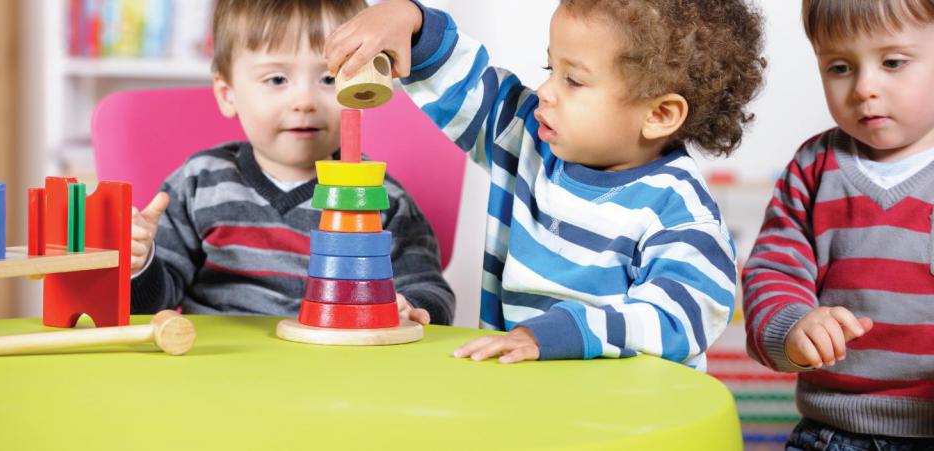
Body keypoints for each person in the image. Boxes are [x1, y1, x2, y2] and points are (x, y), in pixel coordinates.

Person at [325, 0, 765, 366]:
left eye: (573, 80)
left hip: (627, 415)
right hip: (528, 398)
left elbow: (682, 316)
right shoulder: (529, 138)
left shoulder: (680, 211)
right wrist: (412, 22)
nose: (546, 90)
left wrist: (563, 333)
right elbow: (466, 87)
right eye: (550, 68)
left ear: (658, 115)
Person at [129, 0, 455, 326]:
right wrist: (140, 265)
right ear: (228, 93)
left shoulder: (377, 195)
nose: (304, 102)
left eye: (329, 80)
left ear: (361, 88)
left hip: (335, 368)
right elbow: (153, 303)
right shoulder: (199, 183)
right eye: (277, 80)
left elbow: (429, 289)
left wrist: (413, 307)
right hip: (219, 368)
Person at [742, 0, 934, 446]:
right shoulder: (813, 168)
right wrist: (792, 326)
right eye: (840, 67)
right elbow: (774, 270)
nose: (865, 87)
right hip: (834, 431)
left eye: (892, 62)